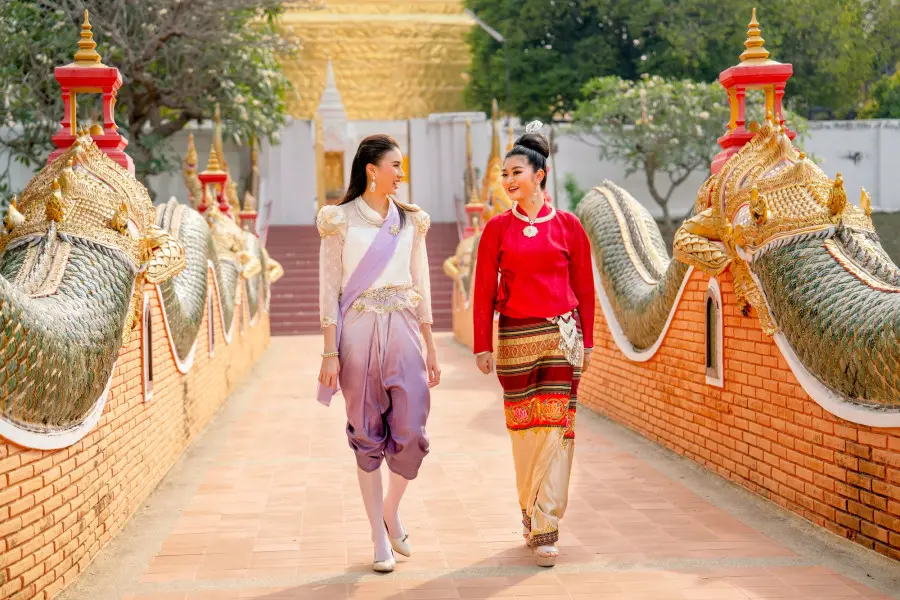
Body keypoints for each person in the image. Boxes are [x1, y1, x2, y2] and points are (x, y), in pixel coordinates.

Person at [472, 122, 595, 567]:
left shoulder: (568, 226)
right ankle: (530, 509)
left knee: (557, 431)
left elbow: (584, 285)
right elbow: (483, 288)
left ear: (539, 175)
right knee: (525, 432)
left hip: (561, 338)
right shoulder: (496, 230)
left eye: (516, 172)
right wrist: (482, 345)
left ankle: (546, 525)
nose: (508, 181)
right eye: (504, 174)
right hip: (514, 341)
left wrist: (591, 340)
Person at [316, 134, 441, 573]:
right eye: (395, 166)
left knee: (412, 432)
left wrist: (430, 344)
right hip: (357, 333)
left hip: (405, 329)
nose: (401, 174)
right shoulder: (339, 220)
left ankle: (391, 509)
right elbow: (329, 289)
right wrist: (329, 353)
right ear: (372, 169)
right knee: (366, 431)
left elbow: (421, 283)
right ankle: (377, 537)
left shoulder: (412, 221)